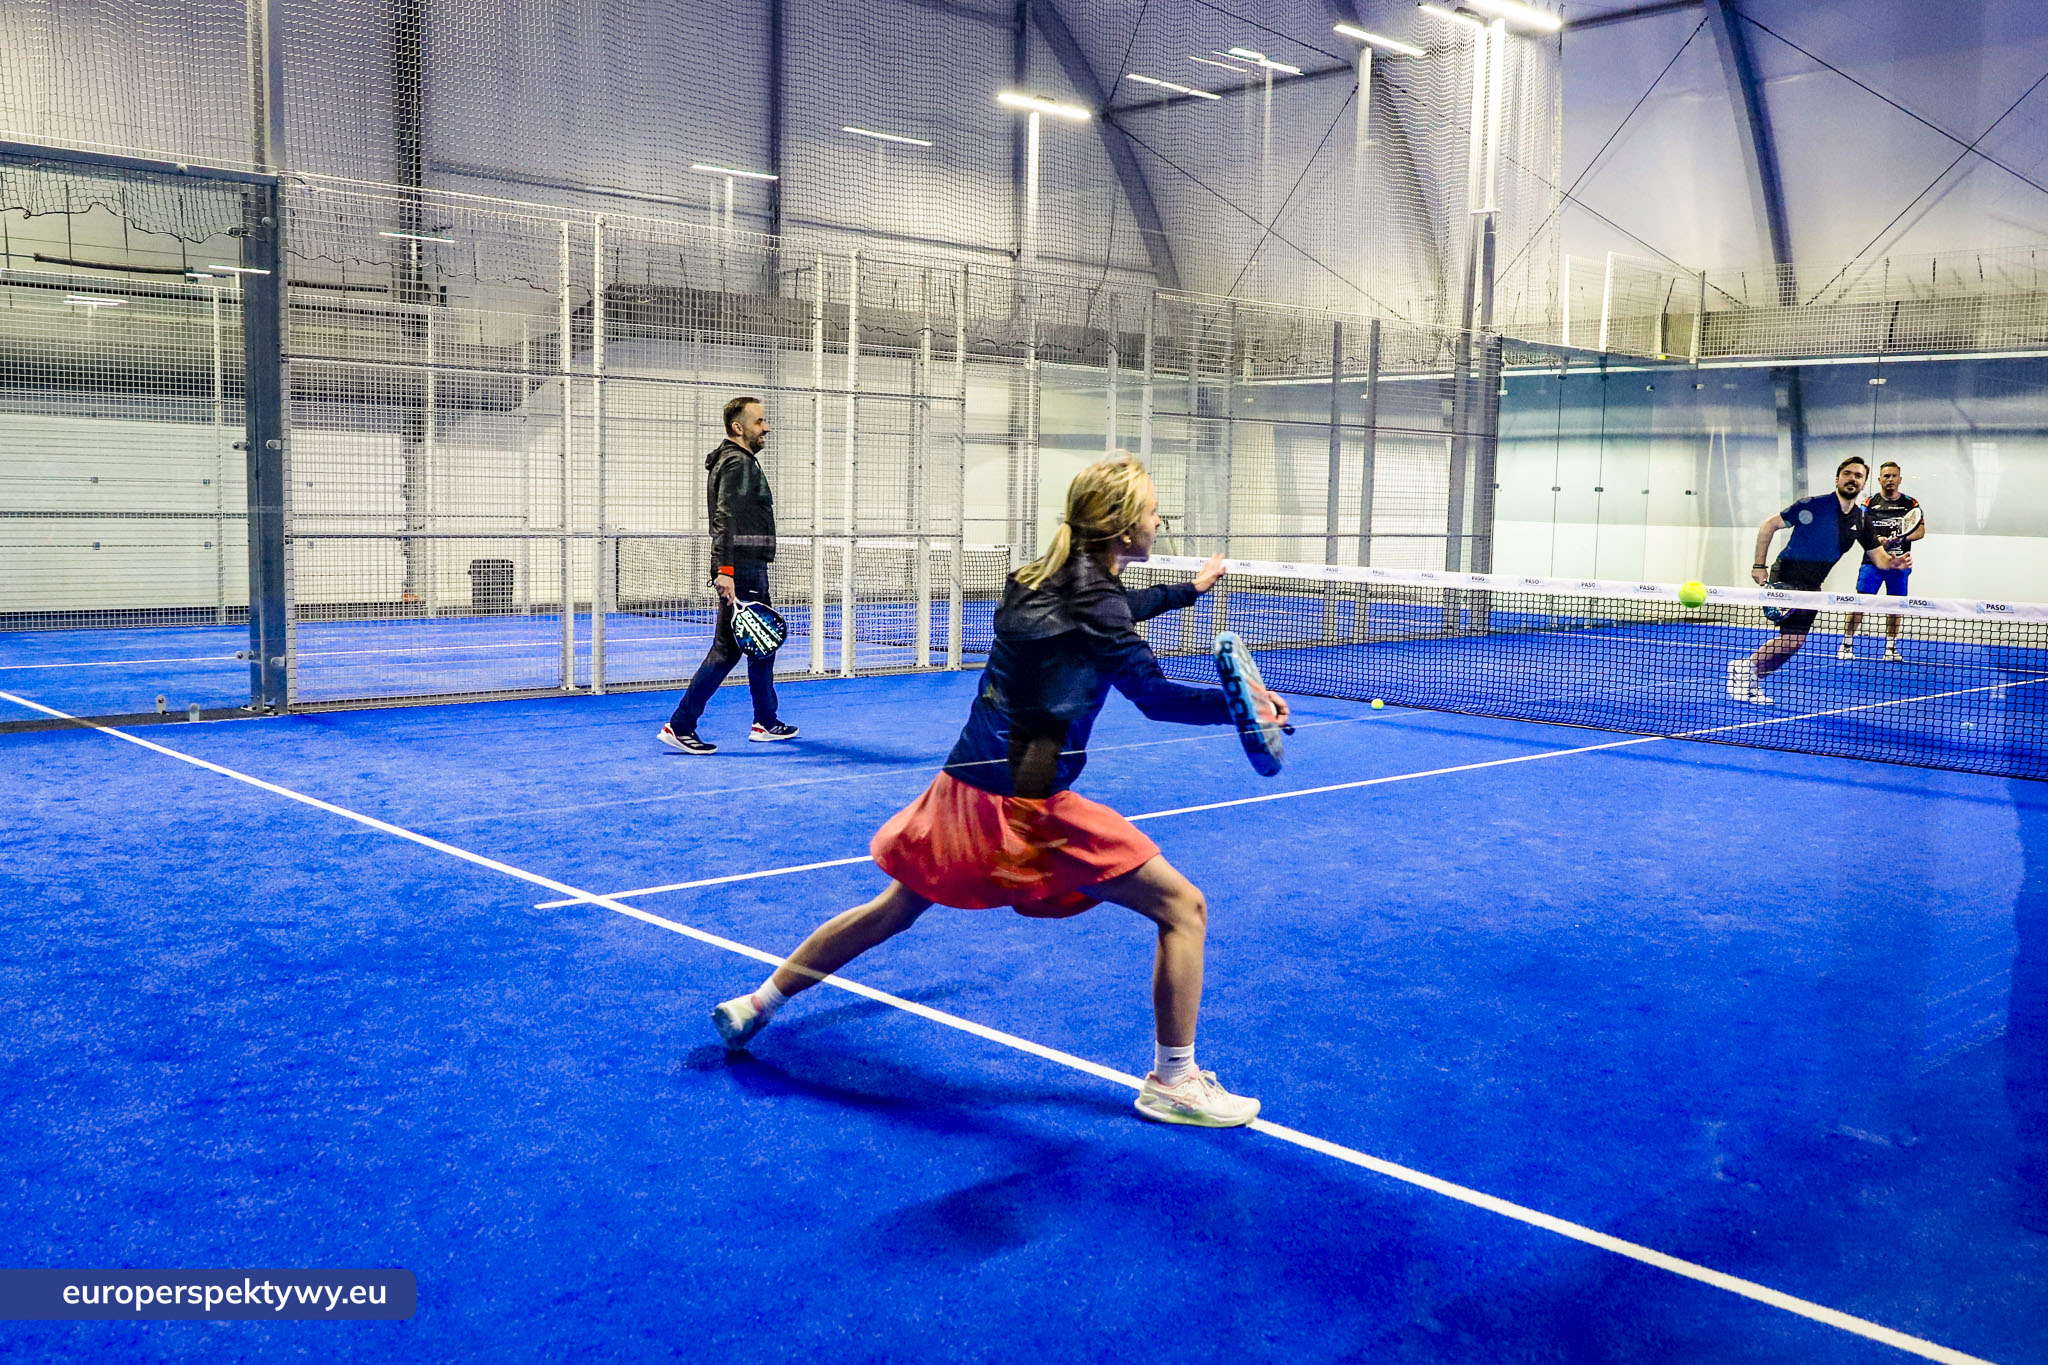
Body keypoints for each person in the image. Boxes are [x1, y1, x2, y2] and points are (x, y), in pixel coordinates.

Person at [709, 455, 1288, 1128]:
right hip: (1028, 803)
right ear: (1125, 526)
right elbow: (1154, 696)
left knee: (891, 910)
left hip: (959, 790)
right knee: (1183, 908)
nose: (1160, 520)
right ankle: (1175, 1079)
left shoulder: (1029, 581)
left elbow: (1114, 606)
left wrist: (1187, 591)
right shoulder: (1097, 607)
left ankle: (758, 1002)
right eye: (1154, 511)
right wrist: (1245, 703)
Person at [658, 396, 798, 754]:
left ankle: (766, 721)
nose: (766, 427)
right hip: (742, 570)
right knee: (726, 653)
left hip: (751, 567)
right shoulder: (737, 463)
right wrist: (725, 570)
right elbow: (725, 519)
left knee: (762, 646)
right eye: (759, 422)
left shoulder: (739, 461)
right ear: (739, 428)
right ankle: (680, 725)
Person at [1727, 456, 1906, 706]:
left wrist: (1893, 563)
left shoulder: (1861, 520)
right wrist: (1759, 565)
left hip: (1813, 586)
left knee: (1795, 643)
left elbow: (1880, 559)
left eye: (1858, 475)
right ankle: (1745, 668)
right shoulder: (1811, 505)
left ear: (1864, 483)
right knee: (1791, 639)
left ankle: (1749, 675)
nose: (1852, 478)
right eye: (1847, 473)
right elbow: (1768, 526)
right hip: (1787, 577)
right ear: (1837, 478)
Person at [1839, 460, 1925, 662]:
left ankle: (1890, 649)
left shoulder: (1911, 504)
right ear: (1879, 480)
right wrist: (1876, 541)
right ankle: (1846, 644)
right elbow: (1858, 529)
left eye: (1894, 476)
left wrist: (1901, 538)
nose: (1890, 479)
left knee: (1895, 606)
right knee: (1861, 602)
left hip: (1899, 563)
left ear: (1900, 479)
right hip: (1873, 563)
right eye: (1886, 476)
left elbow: (1920, 531)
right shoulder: (1868, 504)